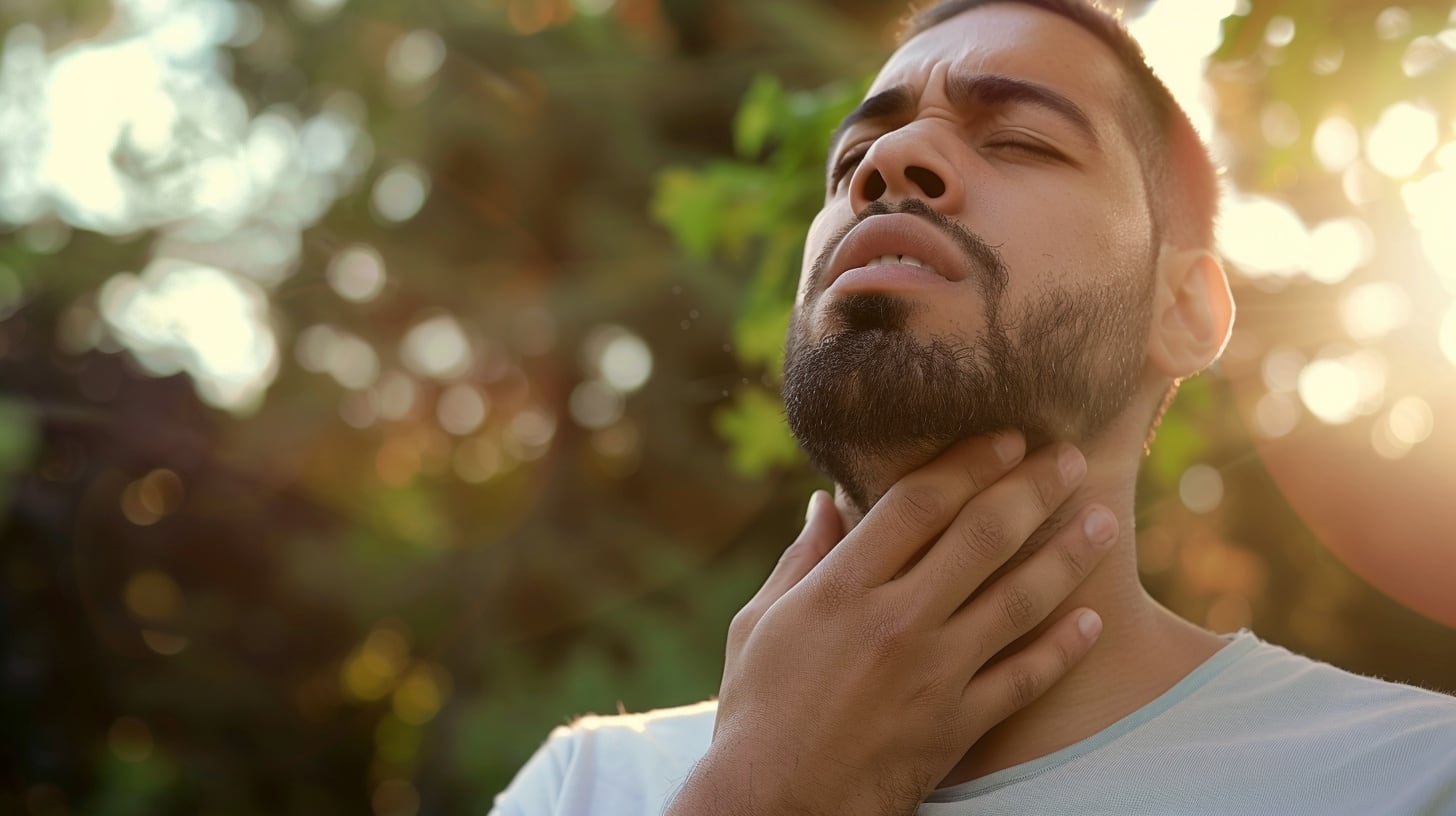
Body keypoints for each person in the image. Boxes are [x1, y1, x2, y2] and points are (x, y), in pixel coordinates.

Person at [492, 1, 1456, 813]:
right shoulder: (585, 787)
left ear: (1185, 309)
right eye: (854, 157)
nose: (891, 161)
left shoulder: (1414, 779)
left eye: (1022, 140)